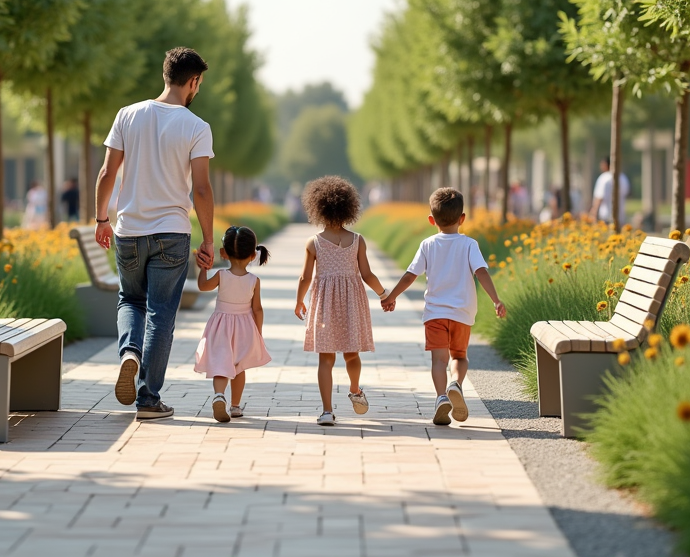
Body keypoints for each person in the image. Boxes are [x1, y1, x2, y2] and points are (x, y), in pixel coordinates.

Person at [95, 47, 215, 421]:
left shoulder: (127, 115)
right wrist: (209, 241)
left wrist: (101, 220)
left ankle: (129, 353)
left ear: (165, 75)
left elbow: (107, 174)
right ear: (193, 81)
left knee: (130, 300)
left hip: (129, 230)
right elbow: (202, 190)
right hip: (172, 234)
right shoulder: (196, 127)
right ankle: (148, 399)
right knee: (161, 313)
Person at [382, 187, 506, 426]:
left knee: (438, 360)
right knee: (459, 355)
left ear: (431, 220)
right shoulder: (470, 244)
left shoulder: (427, 245)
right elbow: (481, 273)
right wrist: (496, 300)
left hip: (435, 314)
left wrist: (391, 296)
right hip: (462, 312)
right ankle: (455, 384)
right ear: (462, 219)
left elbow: (410, 275)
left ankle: (441, 398)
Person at [294, 175, 388, 427]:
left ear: (318, 210)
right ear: (349, 209)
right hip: (351, 303)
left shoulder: (313, 243)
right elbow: (367, 274)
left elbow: (305, 277)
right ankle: (355, 389)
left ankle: (327, 411)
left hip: (324, 304)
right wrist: (383, 294)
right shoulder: (357, 240)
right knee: (351, 353)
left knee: (325, 359)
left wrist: (299, 301)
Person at [194, 225, 272, 422]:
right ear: (253, 256)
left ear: (224, 253)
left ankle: (219, 396)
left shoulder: (221, 275)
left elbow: (203, 287)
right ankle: (235, 406)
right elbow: (257, 309)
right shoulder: (254, 280)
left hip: (221, 326)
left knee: (221, 365)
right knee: (239, 367)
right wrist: (258, 332)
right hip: (244, 328)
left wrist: (203, 268)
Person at [590, 157, 630, 225]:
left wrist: (593, 213)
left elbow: (599, 198)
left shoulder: (604, 178)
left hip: (605, 217)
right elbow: (627, 194)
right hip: (620, 217)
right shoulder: (623, 177)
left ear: (605, 165)